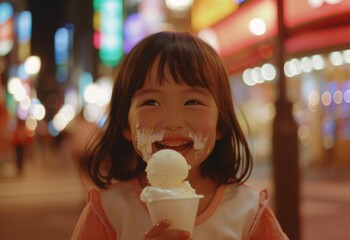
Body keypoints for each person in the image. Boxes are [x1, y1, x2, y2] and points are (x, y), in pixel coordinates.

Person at [71, 31, 288, 240]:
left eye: (192, 102)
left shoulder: (247, 210)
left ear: (221, 123)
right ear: (124, 125)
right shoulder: (109, 211)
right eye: (151, 102)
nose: (173, 122)